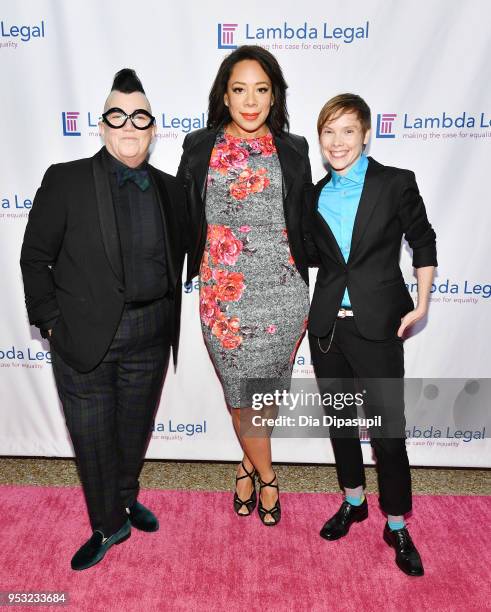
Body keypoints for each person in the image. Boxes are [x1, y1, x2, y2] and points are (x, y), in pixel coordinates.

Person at [20, 69, 186, 570]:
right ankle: (107, 523)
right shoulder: (65, 179)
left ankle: (125, 498)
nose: (129, 125)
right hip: (84, 336)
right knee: (92, 437)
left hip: (151, 332)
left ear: (153, 128)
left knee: (133, 430)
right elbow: (34, 258)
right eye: (118, 116)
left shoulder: (171, 189)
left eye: (140, 116)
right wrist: (50, 322)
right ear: (103, 125)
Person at [177, 46, 311, 525]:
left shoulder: (294, 149)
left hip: (283, 291)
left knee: (266, 394)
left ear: (274, 97)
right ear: (225, 96)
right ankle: (269, 477)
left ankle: (245, 465)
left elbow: (306, 220)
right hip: (223, 292)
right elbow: (180, 217)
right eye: (239, 89)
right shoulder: (199, 146)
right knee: (242, 396)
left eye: (261, 89)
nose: (250, 101)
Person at [306, 93, 437, 575]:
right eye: (328, 131)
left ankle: (398, 524)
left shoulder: (395, 183)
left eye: (346, 130)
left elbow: (422, 240)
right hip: (327, 333)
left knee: (387, 434)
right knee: (340, 424)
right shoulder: (313, 194)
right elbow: (307, 257)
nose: (337, 141)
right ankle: (354, 501)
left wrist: (421, 304)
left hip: (378, 327)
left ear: (365, 134)